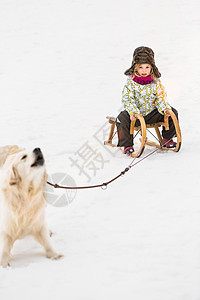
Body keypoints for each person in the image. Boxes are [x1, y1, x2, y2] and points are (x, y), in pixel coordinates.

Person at [116, 46, 178, 154]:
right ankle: (127, 144)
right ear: (135, 68)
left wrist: (164, 109)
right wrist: (133, 112)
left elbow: (160, 98)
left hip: (151, 114)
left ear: (152, 68)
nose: (144, 70)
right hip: (135, 116)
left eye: (147, 67)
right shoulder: (131, 83)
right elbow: (127, 99)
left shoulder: (155, 82)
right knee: (121, 118)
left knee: (173, 112)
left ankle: (167, 138)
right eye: (141, 67)